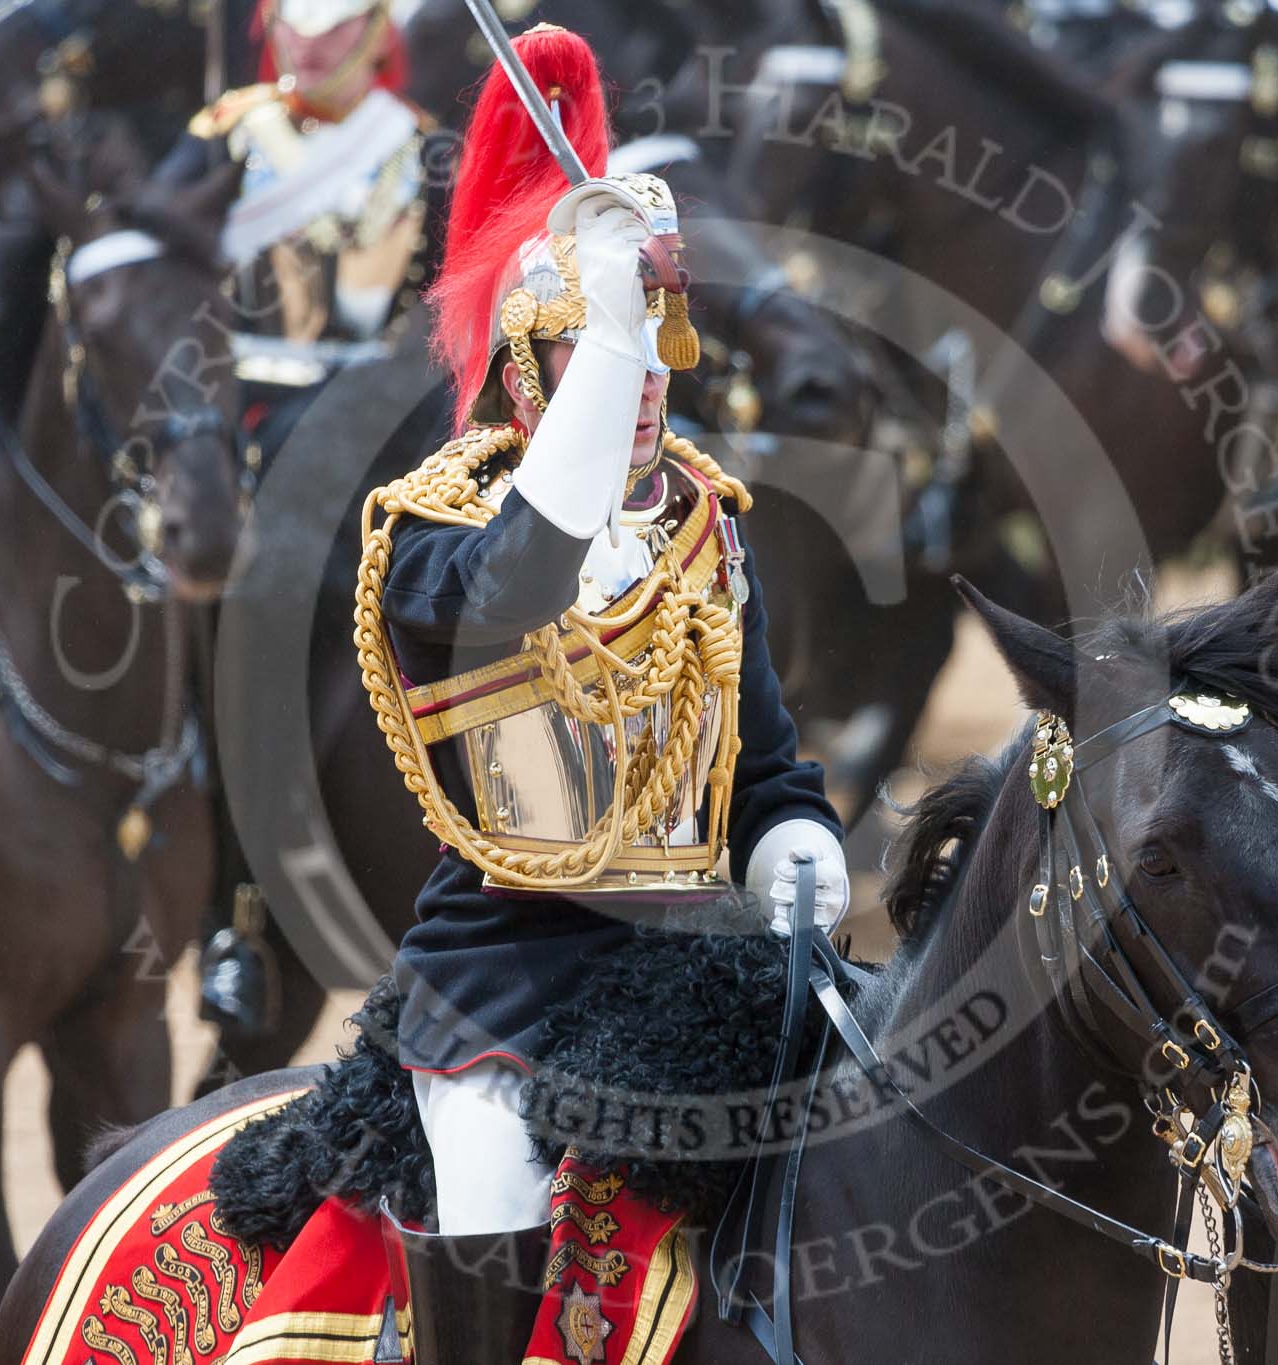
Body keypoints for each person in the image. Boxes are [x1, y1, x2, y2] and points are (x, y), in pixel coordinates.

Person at [356, 22, 849, 1251]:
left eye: (641, 358)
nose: (633, 389)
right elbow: (523, 581)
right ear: (528, 373)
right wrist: (611, 333)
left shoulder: (705, 531)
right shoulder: (428, 536)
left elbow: (767, 765)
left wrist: (796, 839)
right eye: (590, 358)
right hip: (508, 972)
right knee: (493, 1206)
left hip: (702, 955)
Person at [158, 0, 435, 1036]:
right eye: (296, 21)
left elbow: (448, 310)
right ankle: (237, 910)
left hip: (376, 435)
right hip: (233, 425)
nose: (311, 43)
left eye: (336, 23)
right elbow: (170, 278)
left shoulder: (419, 152)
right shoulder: (222, 135)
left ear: (373, 31)